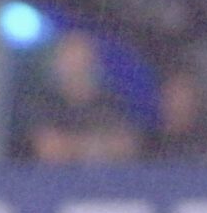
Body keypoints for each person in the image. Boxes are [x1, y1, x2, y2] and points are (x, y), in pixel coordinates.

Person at [21, 29, 140, 163]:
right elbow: (49, 149)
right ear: (58, 62)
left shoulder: (111, 101)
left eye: (82, 57)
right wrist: (96, 146)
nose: (76, 65)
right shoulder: (42, 102)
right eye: (70, 58)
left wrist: (74, 146)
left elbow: (125, 146)